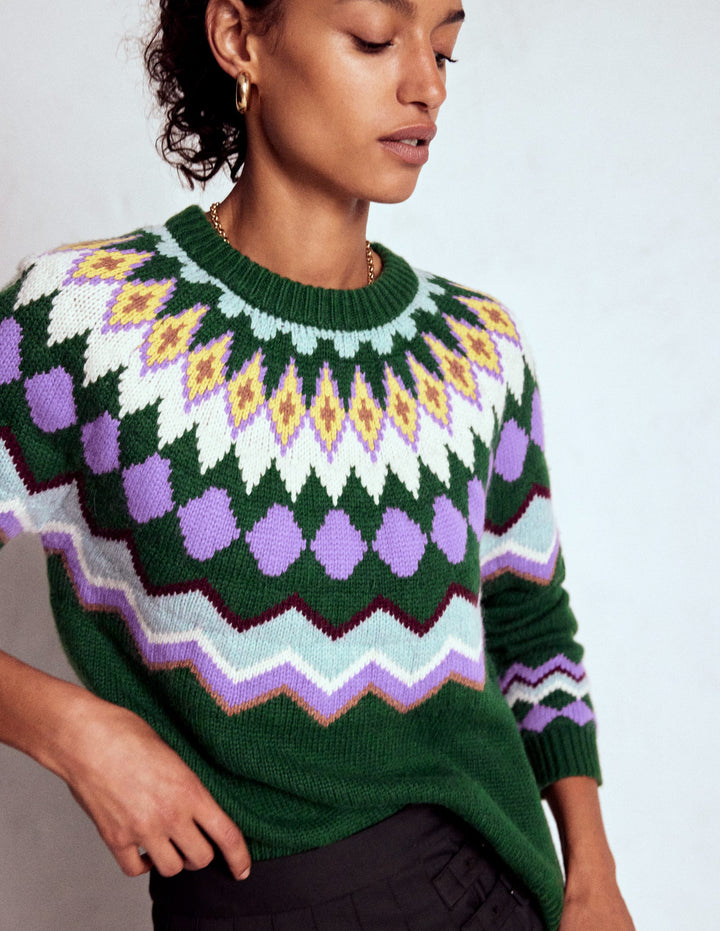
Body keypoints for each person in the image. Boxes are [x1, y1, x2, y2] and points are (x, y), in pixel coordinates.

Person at [0, 1, 635, 928]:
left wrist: (593, 874)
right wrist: (73, 731)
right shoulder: (86, 323)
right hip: (253, 897)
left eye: (445, 49)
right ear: (239, 39)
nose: (425, 85)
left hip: (493, 887)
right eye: (375, 39)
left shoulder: (475, 349)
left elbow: (529, 618)